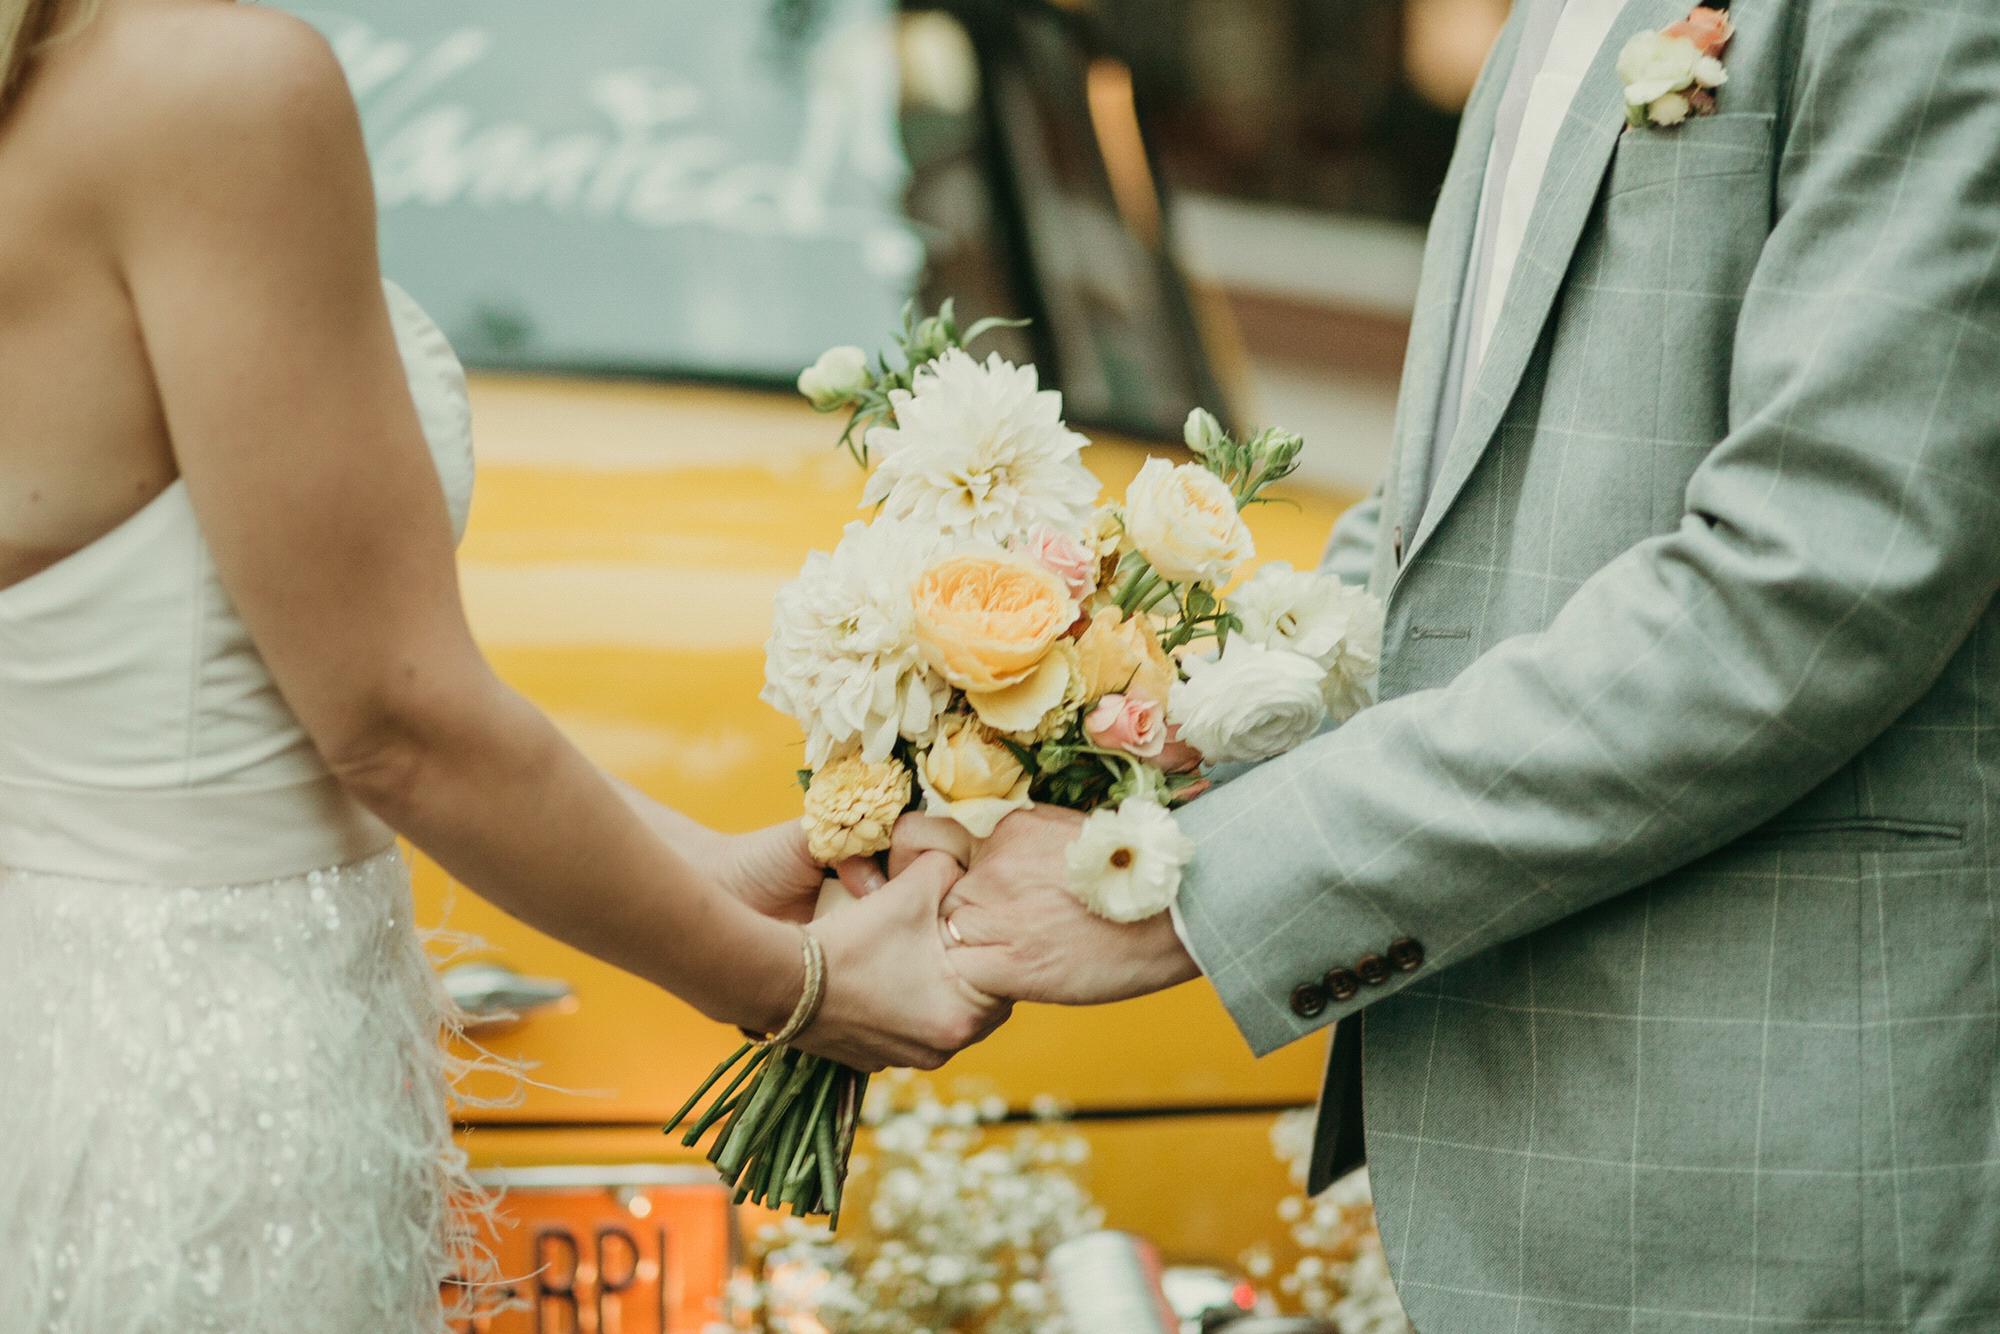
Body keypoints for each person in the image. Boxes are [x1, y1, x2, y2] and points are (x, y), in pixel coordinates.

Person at [920, 0, 2000, 1329]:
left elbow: (1812, 586)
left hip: (1759, 1181)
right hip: (1513, 1165)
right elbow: (1452, 540)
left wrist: (1184, 892)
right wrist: (1099, 762)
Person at [0, 1, 1001, 1328]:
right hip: (189, 1082)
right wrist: (793, 987)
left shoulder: (53, 83)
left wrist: (702, 871)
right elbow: (393, 723)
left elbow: (267, 692)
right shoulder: (215, 83)